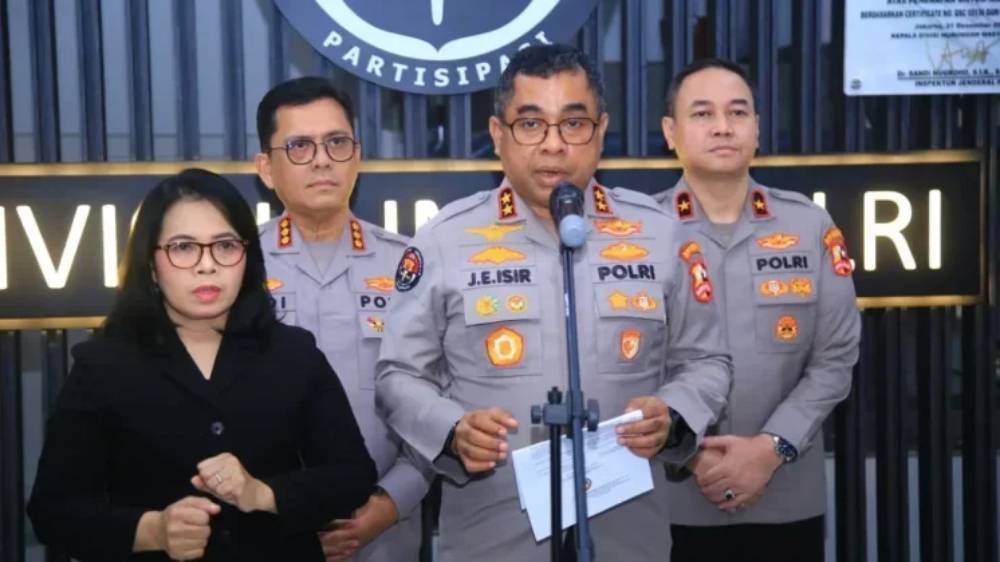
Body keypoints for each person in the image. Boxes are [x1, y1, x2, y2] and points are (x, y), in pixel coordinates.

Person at [375, 44, 732, 561]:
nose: (553, 144)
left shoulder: (659, 234)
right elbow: (397, 376)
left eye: (574, 123)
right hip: (493, 531)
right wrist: (451, 431)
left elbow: (708, 360)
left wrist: (673, 415)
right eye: (530, 124)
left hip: (626, 531)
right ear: (498, 134)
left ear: (601, 131)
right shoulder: (444, 239)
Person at [27, 168, 376, 562]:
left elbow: (352, 477)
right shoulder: (103, 364)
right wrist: (152, 530)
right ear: (151, 263)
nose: (207, 265)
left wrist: (264, 494)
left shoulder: (294, 353)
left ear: (247, 257)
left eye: (225, 246)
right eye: (183, 247)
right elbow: (53, 511)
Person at [654, 58, 861, 562]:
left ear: (758, 128)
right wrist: (690, 453)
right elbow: (621, 367)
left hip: (785, 495)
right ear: (670, 132)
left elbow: (835, 360)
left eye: (738, 112)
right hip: (667, 501)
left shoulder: (808, 225)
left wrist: (771, 448)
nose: (723, 126)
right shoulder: (637, 235)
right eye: (702, 113)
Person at [254, 77, 431, 562]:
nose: (321, 160)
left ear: (357, 156)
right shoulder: (238, 266)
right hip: (267, 529)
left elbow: (438, 399)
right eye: (299, 146)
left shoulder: (408, 266)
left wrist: (390, 502)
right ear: (266, 168)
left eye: (336, 142)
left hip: (385, 531)